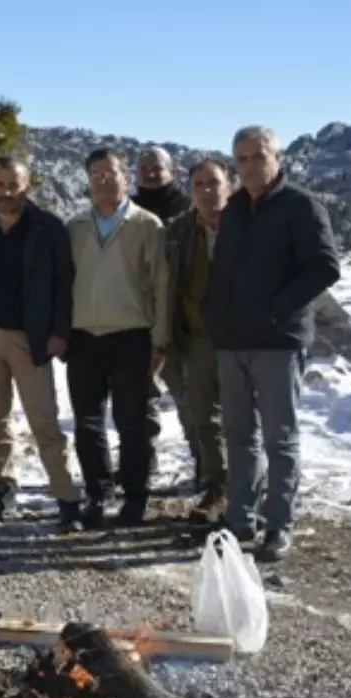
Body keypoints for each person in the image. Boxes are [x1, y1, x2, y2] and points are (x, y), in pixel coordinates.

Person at [202, 125, 341, 561]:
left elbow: (325, 268)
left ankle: (279, 525)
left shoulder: (302, 207)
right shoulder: (235, 209)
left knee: (280, 438)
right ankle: (240, 518)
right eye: (241, 159)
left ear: (277, 157)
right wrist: (214, 313)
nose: (250, 166)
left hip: (278, 342)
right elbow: (223, 268)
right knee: (240, 434)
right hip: (232, 341)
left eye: (258, 156)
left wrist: (277, 309)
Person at [0, 155, 83, 532]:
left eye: (14, 184)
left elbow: (64, 284)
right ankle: (4, 491)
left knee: (44, 421)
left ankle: (68, 499)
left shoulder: (48, 228)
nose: (6, 192)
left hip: (32, 337)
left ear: (28, 187)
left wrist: (60, 332)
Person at [65, 149, 169, 528]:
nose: (103, 179)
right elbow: (65, 283)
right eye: (95, 173)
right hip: (84, 337)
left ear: (126, 177)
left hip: (132, 337)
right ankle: (98, 493)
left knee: (133, 422)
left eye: (110, 172)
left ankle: (135, 495)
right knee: (87, 422)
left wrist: (160, 339)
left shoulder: (147, 224)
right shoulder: (75, 226)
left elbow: (161, 284)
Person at [165, 157, 232, 524]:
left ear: (228, 186)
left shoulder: (247, 225)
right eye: (199, 185)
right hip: (198, 338)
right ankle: (216, 487)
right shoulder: (178, 231)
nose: (207, 191)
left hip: (243, 338)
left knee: (244, 418)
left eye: (214, 182)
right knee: (204, 418)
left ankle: (251, 489)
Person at [131, 146, 194, 486]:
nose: (151, 174)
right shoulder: (128, 211)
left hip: (184, 319)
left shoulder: (188, 208)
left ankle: (205, 464)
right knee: (140, 396)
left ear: (172, 171)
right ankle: (143, 461)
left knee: (191, 397)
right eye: (144, 169)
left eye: (157, 168)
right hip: (140, 317)